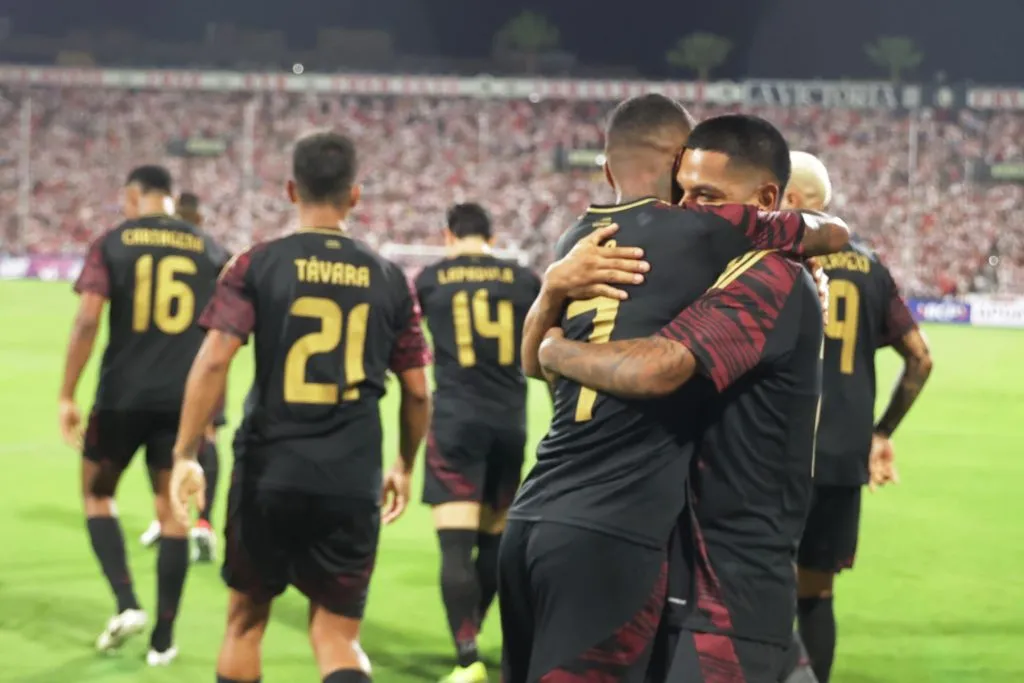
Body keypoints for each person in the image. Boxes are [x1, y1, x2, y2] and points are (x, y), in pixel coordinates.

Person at [499, 100, 846, 683]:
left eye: (705, 196)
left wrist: (552, 341)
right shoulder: (707, 250)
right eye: (682, 190)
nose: (687, 208)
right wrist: (551, 293)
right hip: (662, 566)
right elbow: (831, 230)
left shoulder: (763, 273)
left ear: (763, 201)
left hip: (727, 592)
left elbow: (657, 368)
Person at [167, 131, 432, 683]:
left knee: (244, 623)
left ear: (291, 189)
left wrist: (185, 452)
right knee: (336, 637)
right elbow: (417, 390)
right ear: (354, 195)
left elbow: (214, 360)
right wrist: (405, 464)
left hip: (269, 470)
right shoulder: (389, 279)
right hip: (351, 475)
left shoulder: (255, 264)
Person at [58, 165, 230, 665]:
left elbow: (88, 318)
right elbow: (224, 328)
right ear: (172, 199)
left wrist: (67, 393)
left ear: (134, 196)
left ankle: (126, 602)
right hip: (183, 403)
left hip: (120, 396)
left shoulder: (113, 242)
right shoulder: (208, 247)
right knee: (174, 512)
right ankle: (164, 640)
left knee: (96, 493)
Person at [783, 152, 933, 683]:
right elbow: (921, 357)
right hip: (843, 457)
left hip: (775, 455)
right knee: (817, 595)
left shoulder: (775, 262)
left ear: (793, 200)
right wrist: (881, 432)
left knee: (752, 586)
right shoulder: (871, 268)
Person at [414, 203, 542, 683]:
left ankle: (467, 657)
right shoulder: (523, 278)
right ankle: (480, 636)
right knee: (492, 542)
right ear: (492, 235)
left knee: (454, 546)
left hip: (455, 421)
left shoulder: (430, 278)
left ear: (448, 235)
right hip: (510, 422)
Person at [140, 191, 225, 562]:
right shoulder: (213, 253)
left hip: (160, 364)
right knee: (205, 439)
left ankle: (168, 516)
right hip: (206, 360)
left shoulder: (156, 252)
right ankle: (202, 524)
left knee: (161, 439)